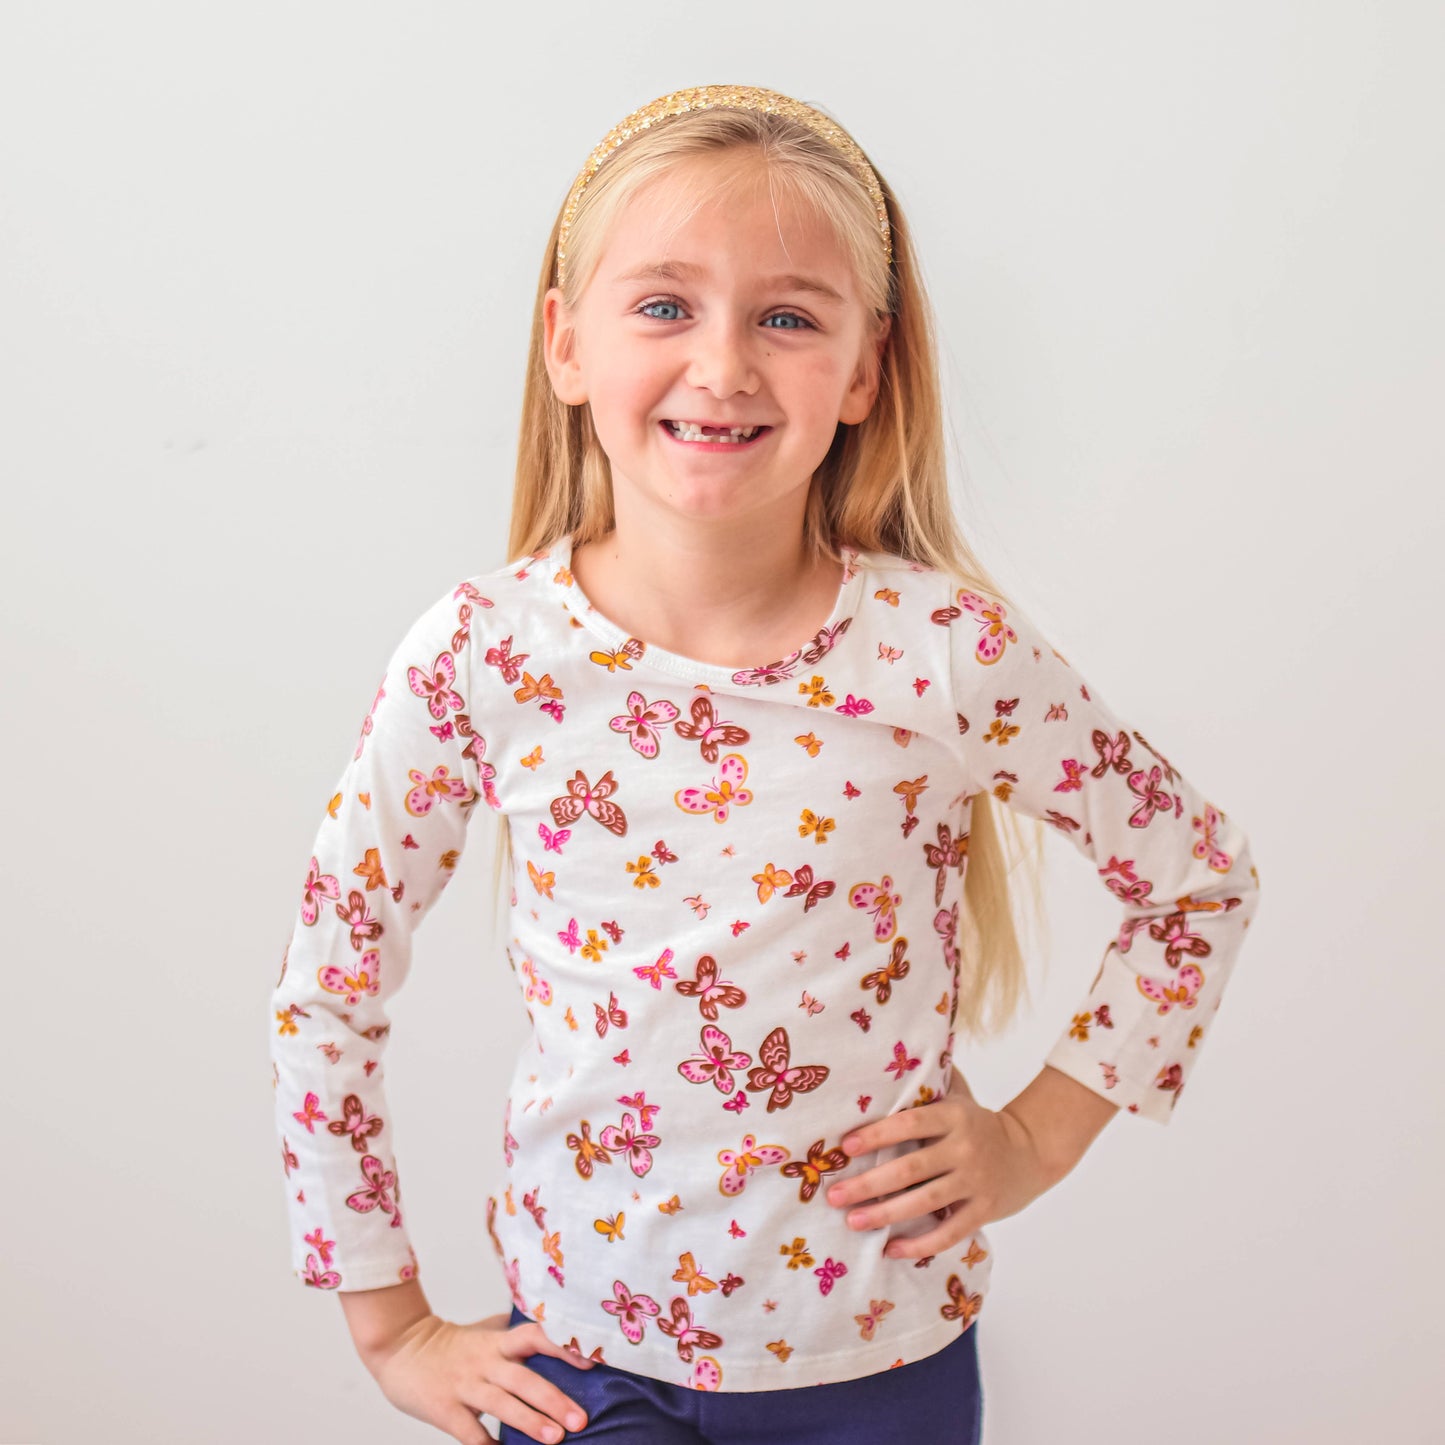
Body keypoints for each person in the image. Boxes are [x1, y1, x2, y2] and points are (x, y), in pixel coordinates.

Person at [268, 84, 1262, 1445]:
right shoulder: (482, 656)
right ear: (566, 342)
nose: (724, 365)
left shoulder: (945, 654)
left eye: (787, 317)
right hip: (579, 1365)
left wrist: (1035, 1134)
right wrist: (389, 1324)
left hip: (881, 1369)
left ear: (863, 370)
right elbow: (329, 979)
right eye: (663, 305)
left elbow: (1197, 881)